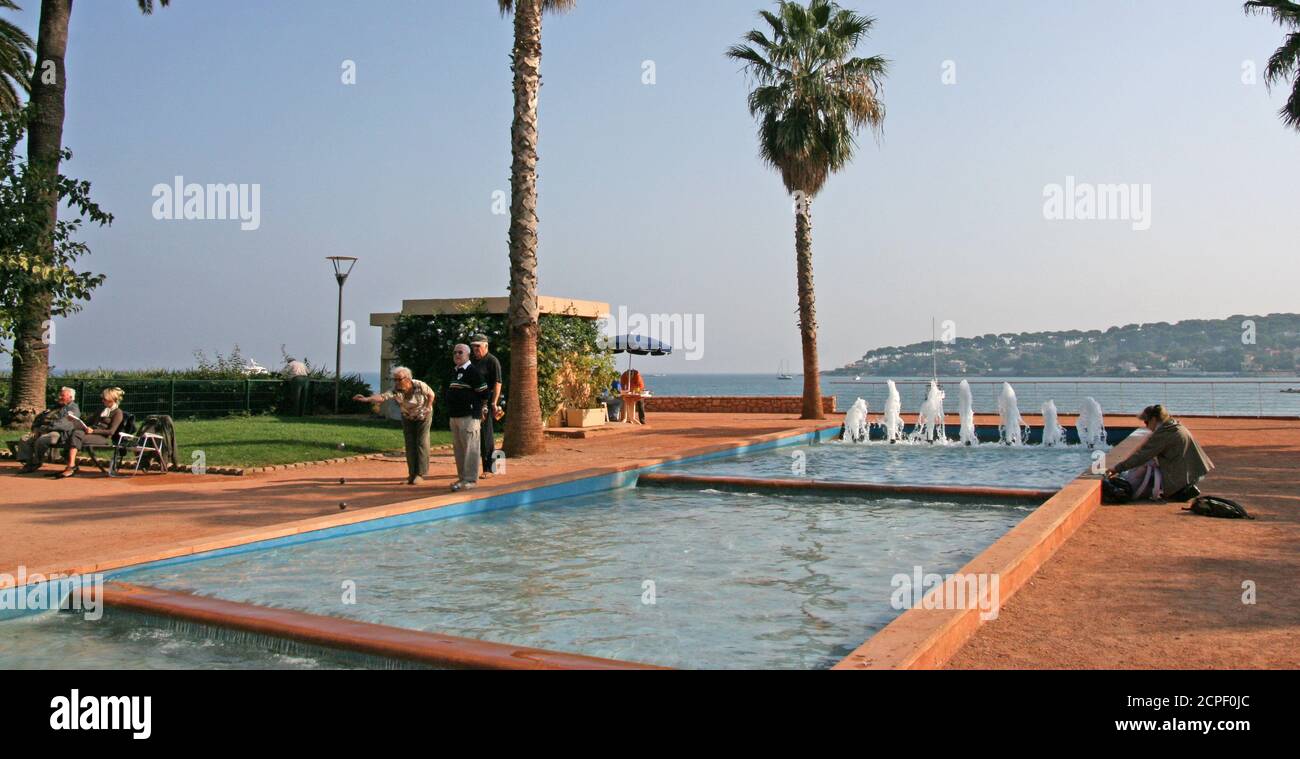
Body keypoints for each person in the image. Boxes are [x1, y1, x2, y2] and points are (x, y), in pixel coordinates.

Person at [1106, 404, 1214, 501]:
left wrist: (1117, 468)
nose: (1146, 426)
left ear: (1153, 419)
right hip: (1193, 474)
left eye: (1146, 422)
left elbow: (1141, 456)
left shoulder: (1165, 434)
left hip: (1180, 481)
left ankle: (1129, 490)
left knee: (1146, 465)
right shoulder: (1175, 426)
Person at [353, 366, 434, 485]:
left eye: (398, 379)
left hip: (423, 416)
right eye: (394, 380)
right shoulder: (396, 390)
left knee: (421, 442)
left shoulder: (419, 385)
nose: (396, 382)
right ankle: (412, 474)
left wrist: (427, 407)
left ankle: (420, 474)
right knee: (410, 443)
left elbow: (431, 395)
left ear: (407, 379)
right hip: (407, 416)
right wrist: (366, 399)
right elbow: (382, 397)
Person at [447, 344, 489, 492]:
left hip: (469, 417)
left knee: (471, 450)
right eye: (455, 353)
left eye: (460, 352)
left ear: (467, 355)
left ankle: (470, 480)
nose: (457, 355)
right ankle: (462, 478)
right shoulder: (455, 371)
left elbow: (484, 393)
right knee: (459, 450)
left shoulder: (473, 372)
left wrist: (479, 408)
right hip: (455, 416)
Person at [58, 387, 127, 478]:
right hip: (90, 433)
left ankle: (71, 466)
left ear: (112, 399)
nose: (102, 401)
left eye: (104, 399)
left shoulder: (118, 413)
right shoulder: (101, 409)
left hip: (103, 437)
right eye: (102, 399)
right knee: (75, 433)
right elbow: (88, 422)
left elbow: (111, 431)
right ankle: (71, 465)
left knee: (76, 435)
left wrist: (94, 431)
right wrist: (75, 421)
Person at [15, 387, 81, 473]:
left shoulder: (73, 409)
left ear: (71, 397)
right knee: (25, 439)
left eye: (62, 395)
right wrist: (35, 428)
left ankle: (36, 463)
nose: (59, 397)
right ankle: (28, 463)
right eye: (59, 395)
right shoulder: (54, 407)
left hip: (59, 433)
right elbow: (39, 418)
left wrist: (45, 429)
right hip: (43, 430)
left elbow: (64, 425)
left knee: (42, 440)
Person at [469, 334, 504, 477]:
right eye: (473, 346)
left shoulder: (492, 361)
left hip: (486, 401)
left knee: (486, 434)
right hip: (473, 401)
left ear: (486, 346)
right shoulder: (471, 361)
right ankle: (492, 467)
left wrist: (494, 403)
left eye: (478, 346)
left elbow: (497, 383)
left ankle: (489, 469)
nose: (475, 349)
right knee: (473, 435)